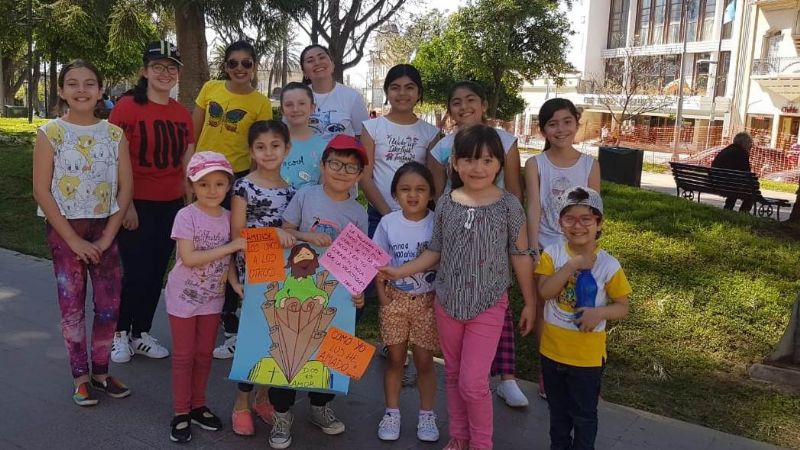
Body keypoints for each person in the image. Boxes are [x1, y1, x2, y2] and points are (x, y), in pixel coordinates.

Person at [381, 124, 536, 450]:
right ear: (454, 162)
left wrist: (531, 302)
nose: (477, 168)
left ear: (499, 164)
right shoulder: (447, 204)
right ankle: (459, 437)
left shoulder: (509, 206)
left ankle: (481, 443)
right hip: (447, 303)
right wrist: (399, 271)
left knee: (473, 382)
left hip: (489, 304)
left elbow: (520, 255)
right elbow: (435, 253)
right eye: (468, 160)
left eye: (487, 160)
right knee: (452, 375)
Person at [32, 60, 133, 406]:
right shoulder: (51, 133)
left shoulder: (114, 134)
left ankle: (102, 372)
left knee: (109, 307)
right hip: (65, 230)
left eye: (90, 83)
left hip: (106, 227)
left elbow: (125, 188)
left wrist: (106, 238)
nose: (81, 90)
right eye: (72, 83)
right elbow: (41, 191)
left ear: (101, 90)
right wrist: (73, 240)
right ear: (61, 90)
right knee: (72, 308)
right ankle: (80, 376)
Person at [427, 80, 528, 407]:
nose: (464, 106)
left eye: (471, 99)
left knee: (494, 301)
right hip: (457, 230)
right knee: (458, 305)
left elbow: (515, 189)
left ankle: (506, 376)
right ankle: (472, 379)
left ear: (484, 104)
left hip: (495, 231)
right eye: (455, 102)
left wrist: (514, 232)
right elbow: (436, 192)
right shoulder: (443, 147)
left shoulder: (506, 141)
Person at [269, 134, 368, 449]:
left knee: (330, 353)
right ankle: (281, 413)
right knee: (285, 348)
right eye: (335, 163)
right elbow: (283, 232)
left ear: (360, 175)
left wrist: (358, 291)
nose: (342, 171)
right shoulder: (305, 196)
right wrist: (305, 236)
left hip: (336, 292)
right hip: (296, 284)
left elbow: (359, 258)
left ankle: (320, 406)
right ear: (323, 165)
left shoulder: (358, 212)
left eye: (351, 167)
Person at [109, 40, 194, 363]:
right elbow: (115, 160)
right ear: (145, 71)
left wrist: (190, 208)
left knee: (157, 270)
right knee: (133, 271)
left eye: (171, 68)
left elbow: (186, 164)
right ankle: (119, 332)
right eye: (157, 67)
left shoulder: (181, 114)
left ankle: (140, 331)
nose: (165, 72)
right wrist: (125, 203)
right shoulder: (127, 107)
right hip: (137, 202)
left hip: (171, 204)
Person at [191, 40, 273, 356]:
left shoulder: (260, 102)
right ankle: (197, 312)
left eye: (246, 64)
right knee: (201, 246)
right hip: (200, 179)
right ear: (225, 66)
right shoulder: (210, 88)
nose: (239, 69)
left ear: (253, 67)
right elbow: (194, 135)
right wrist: (189, 175)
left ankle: (229, 323)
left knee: (229, 250)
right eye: (233, 63)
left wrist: (250, 187)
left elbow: (258, 147)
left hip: (236, 181)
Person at [535, 186, 631, 450]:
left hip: (587, 358)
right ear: (560, 223)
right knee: (558, 415)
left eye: (586, 219)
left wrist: (599, 312)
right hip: (553, 352)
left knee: (584, 416)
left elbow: (623, 306)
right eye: (570, 219)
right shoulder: (552, 255)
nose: (578, 226)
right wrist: (571, 265)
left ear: (599, 224)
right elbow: (545, 292)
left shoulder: (609, 265)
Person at [165, 151, 246, 443]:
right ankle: (180, 412)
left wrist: (235, 284)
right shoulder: (185, 216)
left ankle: (198, 405)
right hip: (183, 298)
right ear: (192, 186)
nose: (212, 191)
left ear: (228, 186)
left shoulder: (229, 218)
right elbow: (188, 258)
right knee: (184, 356)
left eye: (219, 184)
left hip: (213, 298)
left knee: (203, 355)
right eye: (204, 184)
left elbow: (230, 261)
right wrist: (231, 246)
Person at [525, 98, 600, 398]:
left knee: (577, 307)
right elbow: (533, 207)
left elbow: (595, 212)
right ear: (543, 130)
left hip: (579, 252)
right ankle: (548, 373)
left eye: (567, 121)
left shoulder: (589, 164)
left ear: (576, 124)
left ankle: (580, 369)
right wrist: (533, 249)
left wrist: (588, 253)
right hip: (545, 248)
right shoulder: (535, 164)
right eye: (552, 123)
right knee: (546, 310)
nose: (561, 129)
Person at [229, 120, 297, 436]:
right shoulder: (243, 187)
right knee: (252, 341)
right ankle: (241, 402)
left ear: (287, 149)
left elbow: (294, 235)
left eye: (275, 145)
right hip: (253, 276)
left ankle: (263, 396)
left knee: (275, 339)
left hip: (283, 279)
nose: (268, 152)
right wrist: (274, 234)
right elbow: (238, 235)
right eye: (260, 146)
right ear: (251, 151)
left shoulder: (293, 191)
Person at [372, 162, 439, 443]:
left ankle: (427, 414)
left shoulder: (437, 222)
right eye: (405, 189)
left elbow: (445, 261)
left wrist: (438, 296)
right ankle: (392, 412)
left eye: (420, 189)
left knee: (424, 362)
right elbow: (376, 260)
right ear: (395, 193)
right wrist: (383, 296)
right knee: (395, 360)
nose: (413, 195)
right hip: (395, 301)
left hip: (427, 303)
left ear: (431, 194)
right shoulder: (388, 223)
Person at [360, 63, 439, 237]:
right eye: (395, 88)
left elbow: (434, 180)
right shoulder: (372, 128)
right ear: (387, 92)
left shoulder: (431, 133)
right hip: (379, 216)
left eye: (409, 87)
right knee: (379, 264)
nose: (402, 93)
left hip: (417, 217)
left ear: (419, 93)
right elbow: (365, 177)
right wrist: (389, 216)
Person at [299, 44, 369, 142]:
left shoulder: (352, 97)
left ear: (332, 65)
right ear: (304, 73)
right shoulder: (296, 97)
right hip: (304, 157)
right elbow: (287, 134)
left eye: (322, 57)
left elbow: (363, 137)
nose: (317, 62)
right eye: (310, 61)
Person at [280, 82, 327, 190]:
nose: (295, 109)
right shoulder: (272, 143)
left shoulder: (324, 147)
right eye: (289, 105)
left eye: (302, 103)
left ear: (312, 107)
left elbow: (324, 189)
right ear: (282, 109)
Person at [711, 132, 755, 212]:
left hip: (715, 183)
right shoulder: (742, 153)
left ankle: (728, 208)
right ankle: (743, 213)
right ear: (744, 143)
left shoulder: (726, 150)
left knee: (735, 184)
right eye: (750, 143)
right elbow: (747, 173)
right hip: (728, 185)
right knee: (751, 192)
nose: (751, 146)